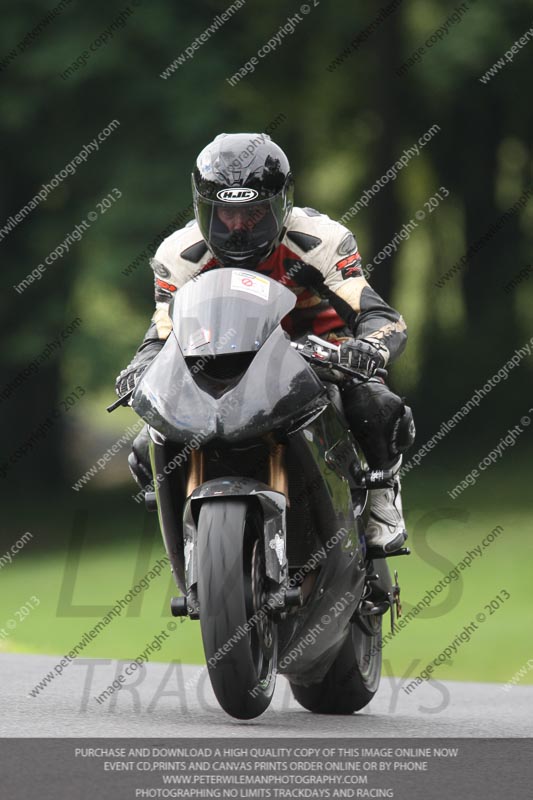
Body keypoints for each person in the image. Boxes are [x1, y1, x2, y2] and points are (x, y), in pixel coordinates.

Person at [115, 133, 415, 554]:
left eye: (253, 214)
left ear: (281, 204)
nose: (237, 227)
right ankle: (187, 534)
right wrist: (139, 368)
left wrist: (369, 347)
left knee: (378, 406)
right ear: (203, 209)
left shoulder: (321, 240)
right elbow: (161, 335)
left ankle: (382, 494)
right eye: (224, 214)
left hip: (317, 351)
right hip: (224, 360)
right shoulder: (179, 254)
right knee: (148, 440)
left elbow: (379, 315)